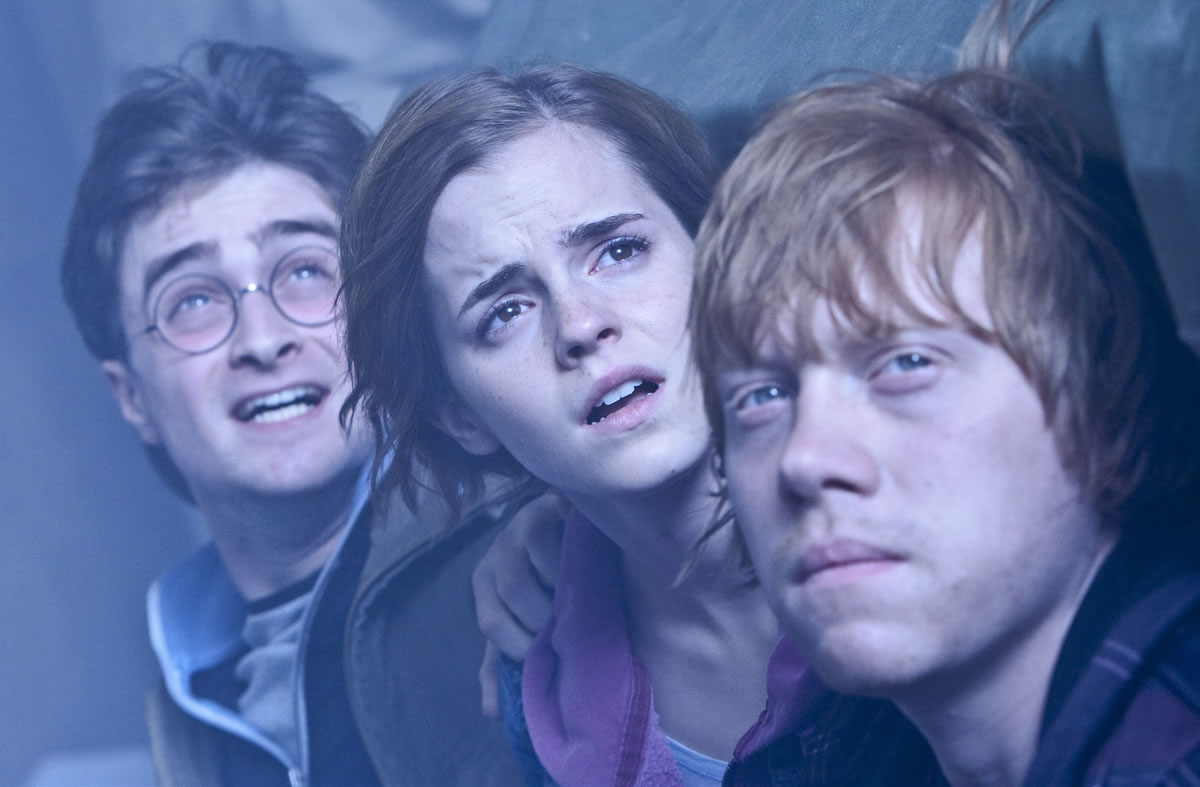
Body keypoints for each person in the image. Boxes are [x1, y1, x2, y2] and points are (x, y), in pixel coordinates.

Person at [690, 63, 1200, 785]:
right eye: (761, 397)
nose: (803, 457)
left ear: (1100, 412)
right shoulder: (810, 760)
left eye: (906, 364)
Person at [60, 41, 518, 785]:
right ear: (130, 394)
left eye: (305, 270)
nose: (263, 339)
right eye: (193, 300)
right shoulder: (189, 708)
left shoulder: (525, 566)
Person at [339, 63, 781, 786]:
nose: (579, 325)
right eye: (505, 312)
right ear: (459, 415)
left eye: (619, 251)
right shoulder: (539, 687)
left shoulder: (902, 491)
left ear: (714, 251)